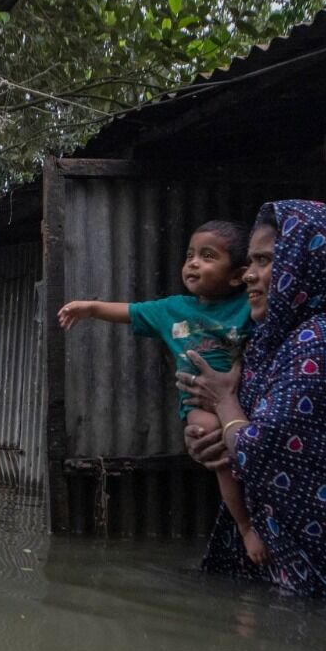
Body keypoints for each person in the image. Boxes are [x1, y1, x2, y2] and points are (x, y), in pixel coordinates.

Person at [178, 200, 326, 604]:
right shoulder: (269, 342)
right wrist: (206, 443)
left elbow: (255, 449)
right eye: (251, 261)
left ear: (307, 264)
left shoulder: (324, 341)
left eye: (266, 260)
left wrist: (223, 401)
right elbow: (237, 436)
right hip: (279, 565)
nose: (249, 275)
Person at [57, 221, 265, 564]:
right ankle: (245, 527)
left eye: (207, 256)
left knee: (247, 446)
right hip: (199, 404)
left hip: (242, 400)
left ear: (236, 276)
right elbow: (130, 311)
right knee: (214, 442)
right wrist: (90, 308)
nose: (193, 263)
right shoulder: (174, 309)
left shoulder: (248, 304)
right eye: (190, 255)